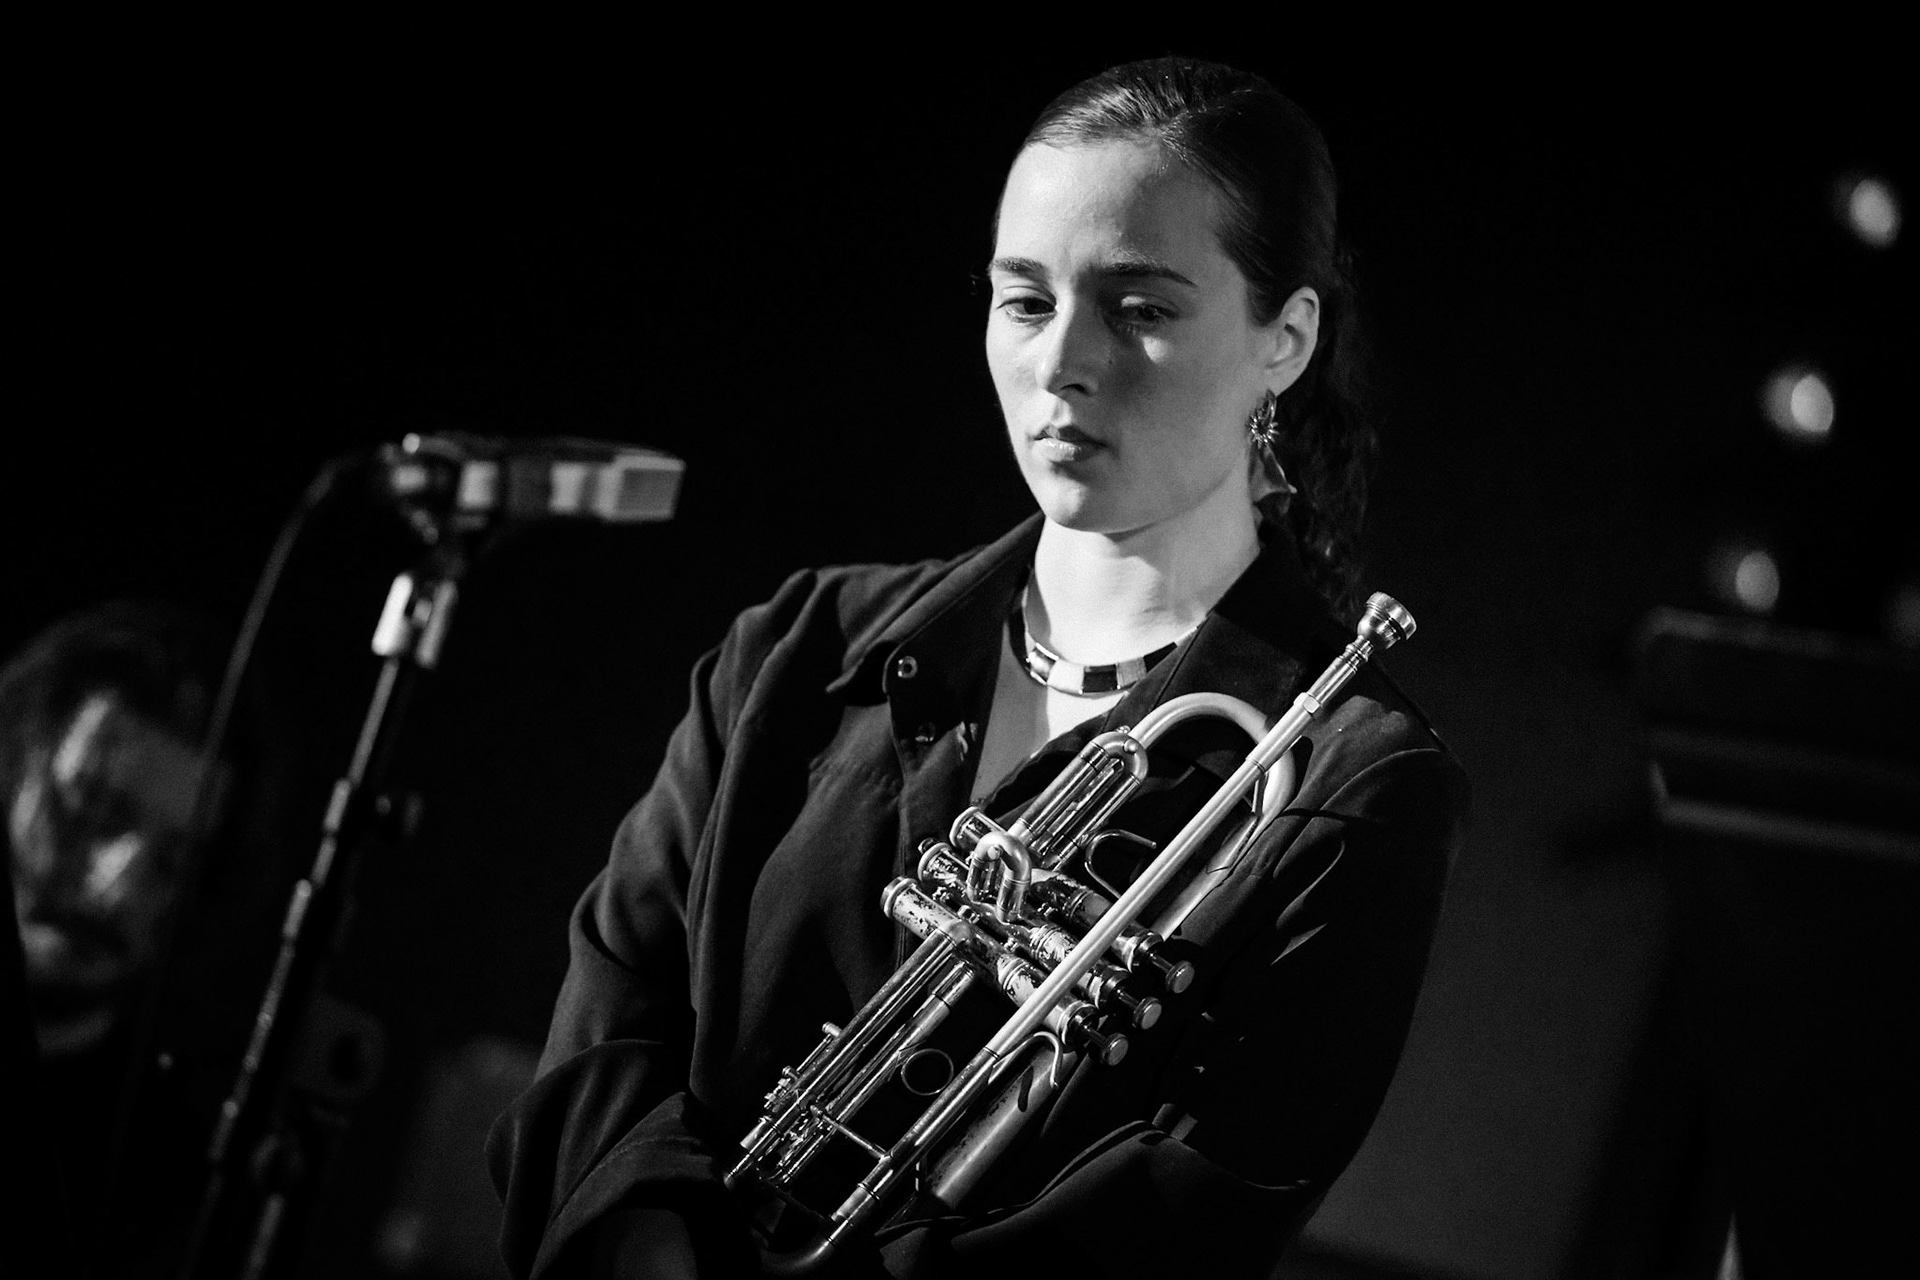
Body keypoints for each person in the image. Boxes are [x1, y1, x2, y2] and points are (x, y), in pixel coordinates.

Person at [488, 56, 1469, 1279]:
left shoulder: (1355, 781)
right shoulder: (799, 646)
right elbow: (605, 1028)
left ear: (1288, 338)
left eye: (1140, 308)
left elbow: (1188, 1208)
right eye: (1025, 300)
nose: (1062, 361)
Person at [2, 600, 286, 1276]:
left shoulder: (169, 1184)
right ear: (14, 766)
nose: (116, 886)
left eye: (172, 863)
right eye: (92, 806)